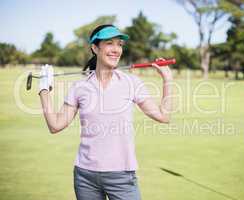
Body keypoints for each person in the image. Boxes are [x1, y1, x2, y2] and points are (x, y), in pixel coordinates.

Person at [38, 24, 173, 200]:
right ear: (95, 48)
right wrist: (44, 90)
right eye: (109, 43)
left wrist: (167, 79)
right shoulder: (80, 87)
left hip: (122, 176)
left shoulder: (132, 83)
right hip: (85, 176)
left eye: (120, 44)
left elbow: (164, 116)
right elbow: (55, 126)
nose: (116, 49)